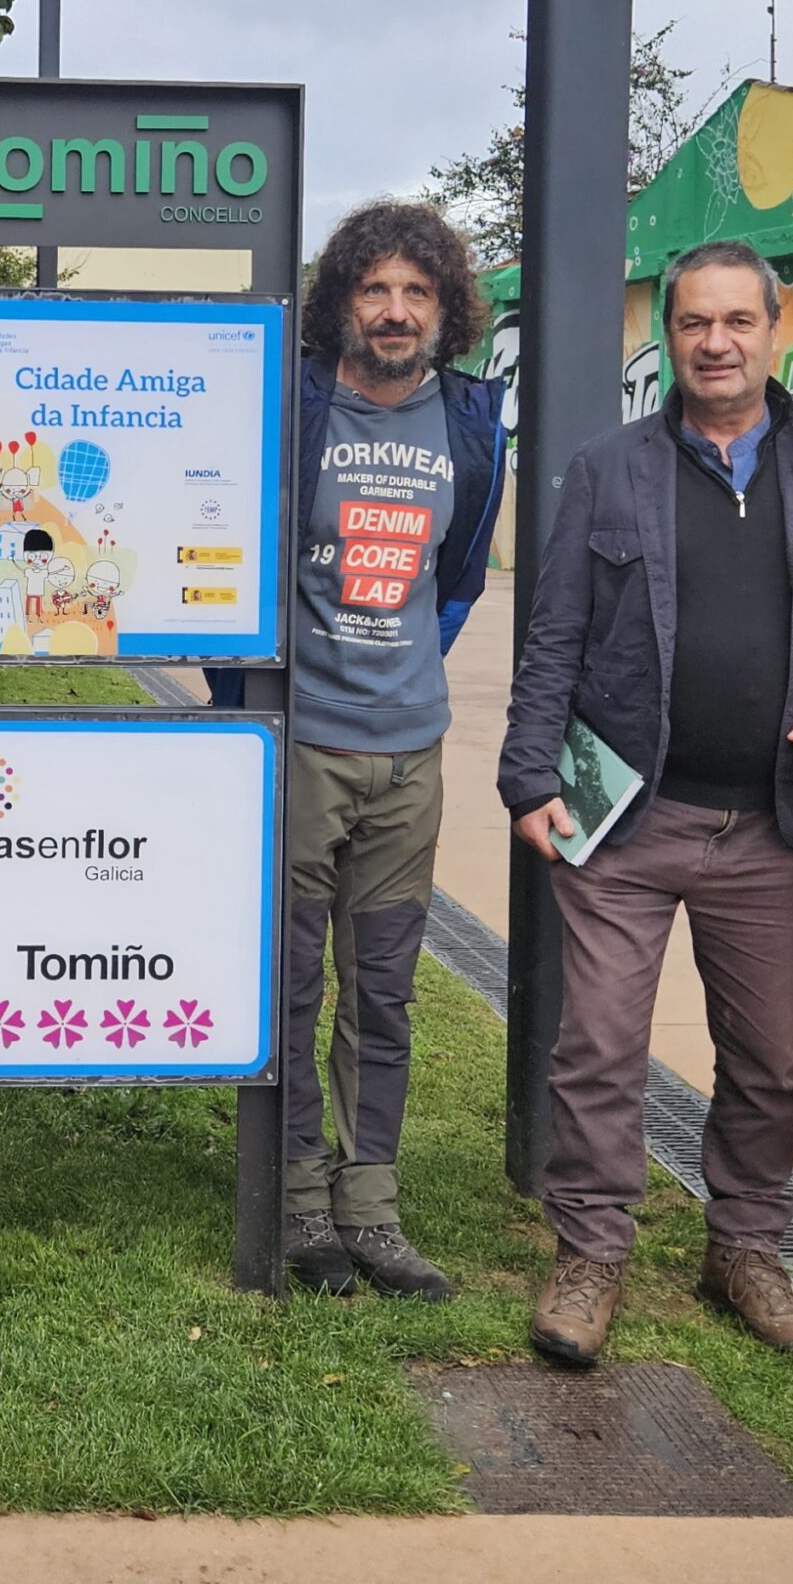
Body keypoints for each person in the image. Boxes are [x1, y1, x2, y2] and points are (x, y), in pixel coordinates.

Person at [498, 238, 793, 1364]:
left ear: (776, 331)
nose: (714, 343)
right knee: (597, 1045)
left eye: (737, 321)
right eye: (692, 324)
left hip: (778, 825)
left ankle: (745, 1249)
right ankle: (590, 1253)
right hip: (625, 814)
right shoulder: (608, 469)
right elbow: (556, 633)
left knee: (765, 1062)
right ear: (666, 338)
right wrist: (530, 775)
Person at [214, 200, 506, 1300]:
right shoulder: (292, 409)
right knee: (289, 982)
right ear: (340, 300)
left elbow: (459, 580)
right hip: (299, 745)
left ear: (444, 310)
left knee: (382, 990)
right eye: (373, 290)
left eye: (414, 293)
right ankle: (296, 1205)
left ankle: (370, 1209)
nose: (392, 312)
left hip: (408, 758)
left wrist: (401, 678)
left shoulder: (471, 426)